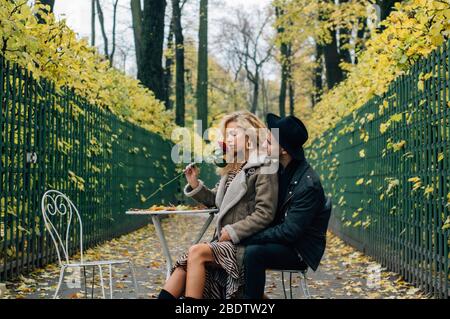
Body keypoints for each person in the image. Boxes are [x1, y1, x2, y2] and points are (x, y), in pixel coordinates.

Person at [157, 110, 279, 299]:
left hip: (244, 243)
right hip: (224, 243)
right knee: (184, 264)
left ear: (249, 137)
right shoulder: (232, 167)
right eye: (226, 135)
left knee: (196, 252)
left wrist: (233, 231)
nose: (227, 140)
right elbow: (218, 200)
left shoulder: (264, 168)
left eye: (233, 134)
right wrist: (195, 184)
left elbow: (265, 213)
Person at [241, 113, 331, 299]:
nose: (264, 145)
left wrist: (250, 237)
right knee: (238, 249)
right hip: (285, 241)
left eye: (268, 142)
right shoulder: (279, 169)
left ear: (283, 150)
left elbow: (290, 232)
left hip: (299, 250)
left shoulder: (308, 184)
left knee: (253, 253)